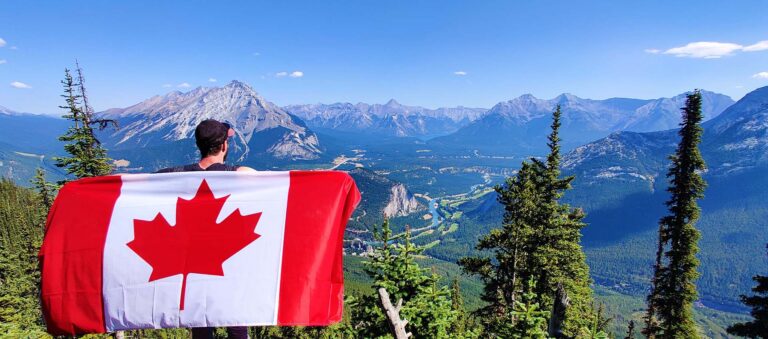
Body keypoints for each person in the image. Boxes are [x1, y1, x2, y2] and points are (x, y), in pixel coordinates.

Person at [156, 118, 254, 339]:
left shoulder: (173, 175)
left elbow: (143, 185)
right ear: (224, 146)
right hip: (230, 264)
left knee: (200, 325)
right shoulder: (242, 175)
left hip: (193, 265)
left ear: (198, 145)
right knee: (236, 322)